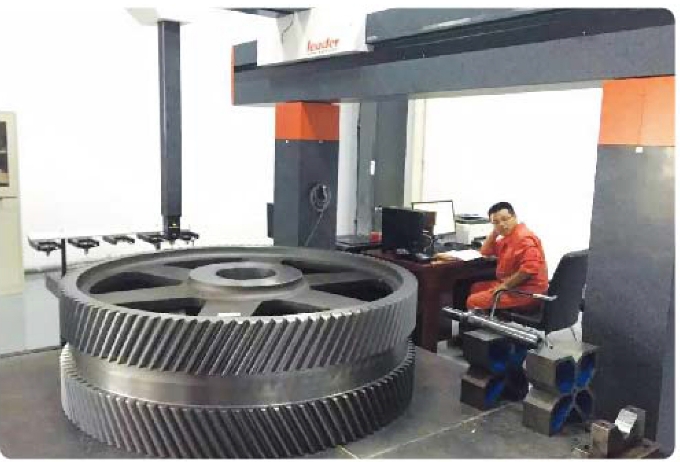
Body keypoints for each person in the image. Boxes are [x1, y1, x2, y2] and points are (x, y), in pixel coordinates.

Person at [466, 201, 549, 312]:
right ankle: (490, 317)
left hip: (527, 293)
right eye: (496, 222)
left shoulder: (523, 238)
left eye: (505, 219)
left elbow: (529, 269)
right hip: (517, 287)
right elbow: (485, 252)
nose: (501, 224)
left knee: (472, 301)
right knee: (476, 287)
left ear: (514, 217)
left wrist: (505, 286)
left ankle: (488, 320)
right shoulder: (510, 237)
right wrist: (495, 232)